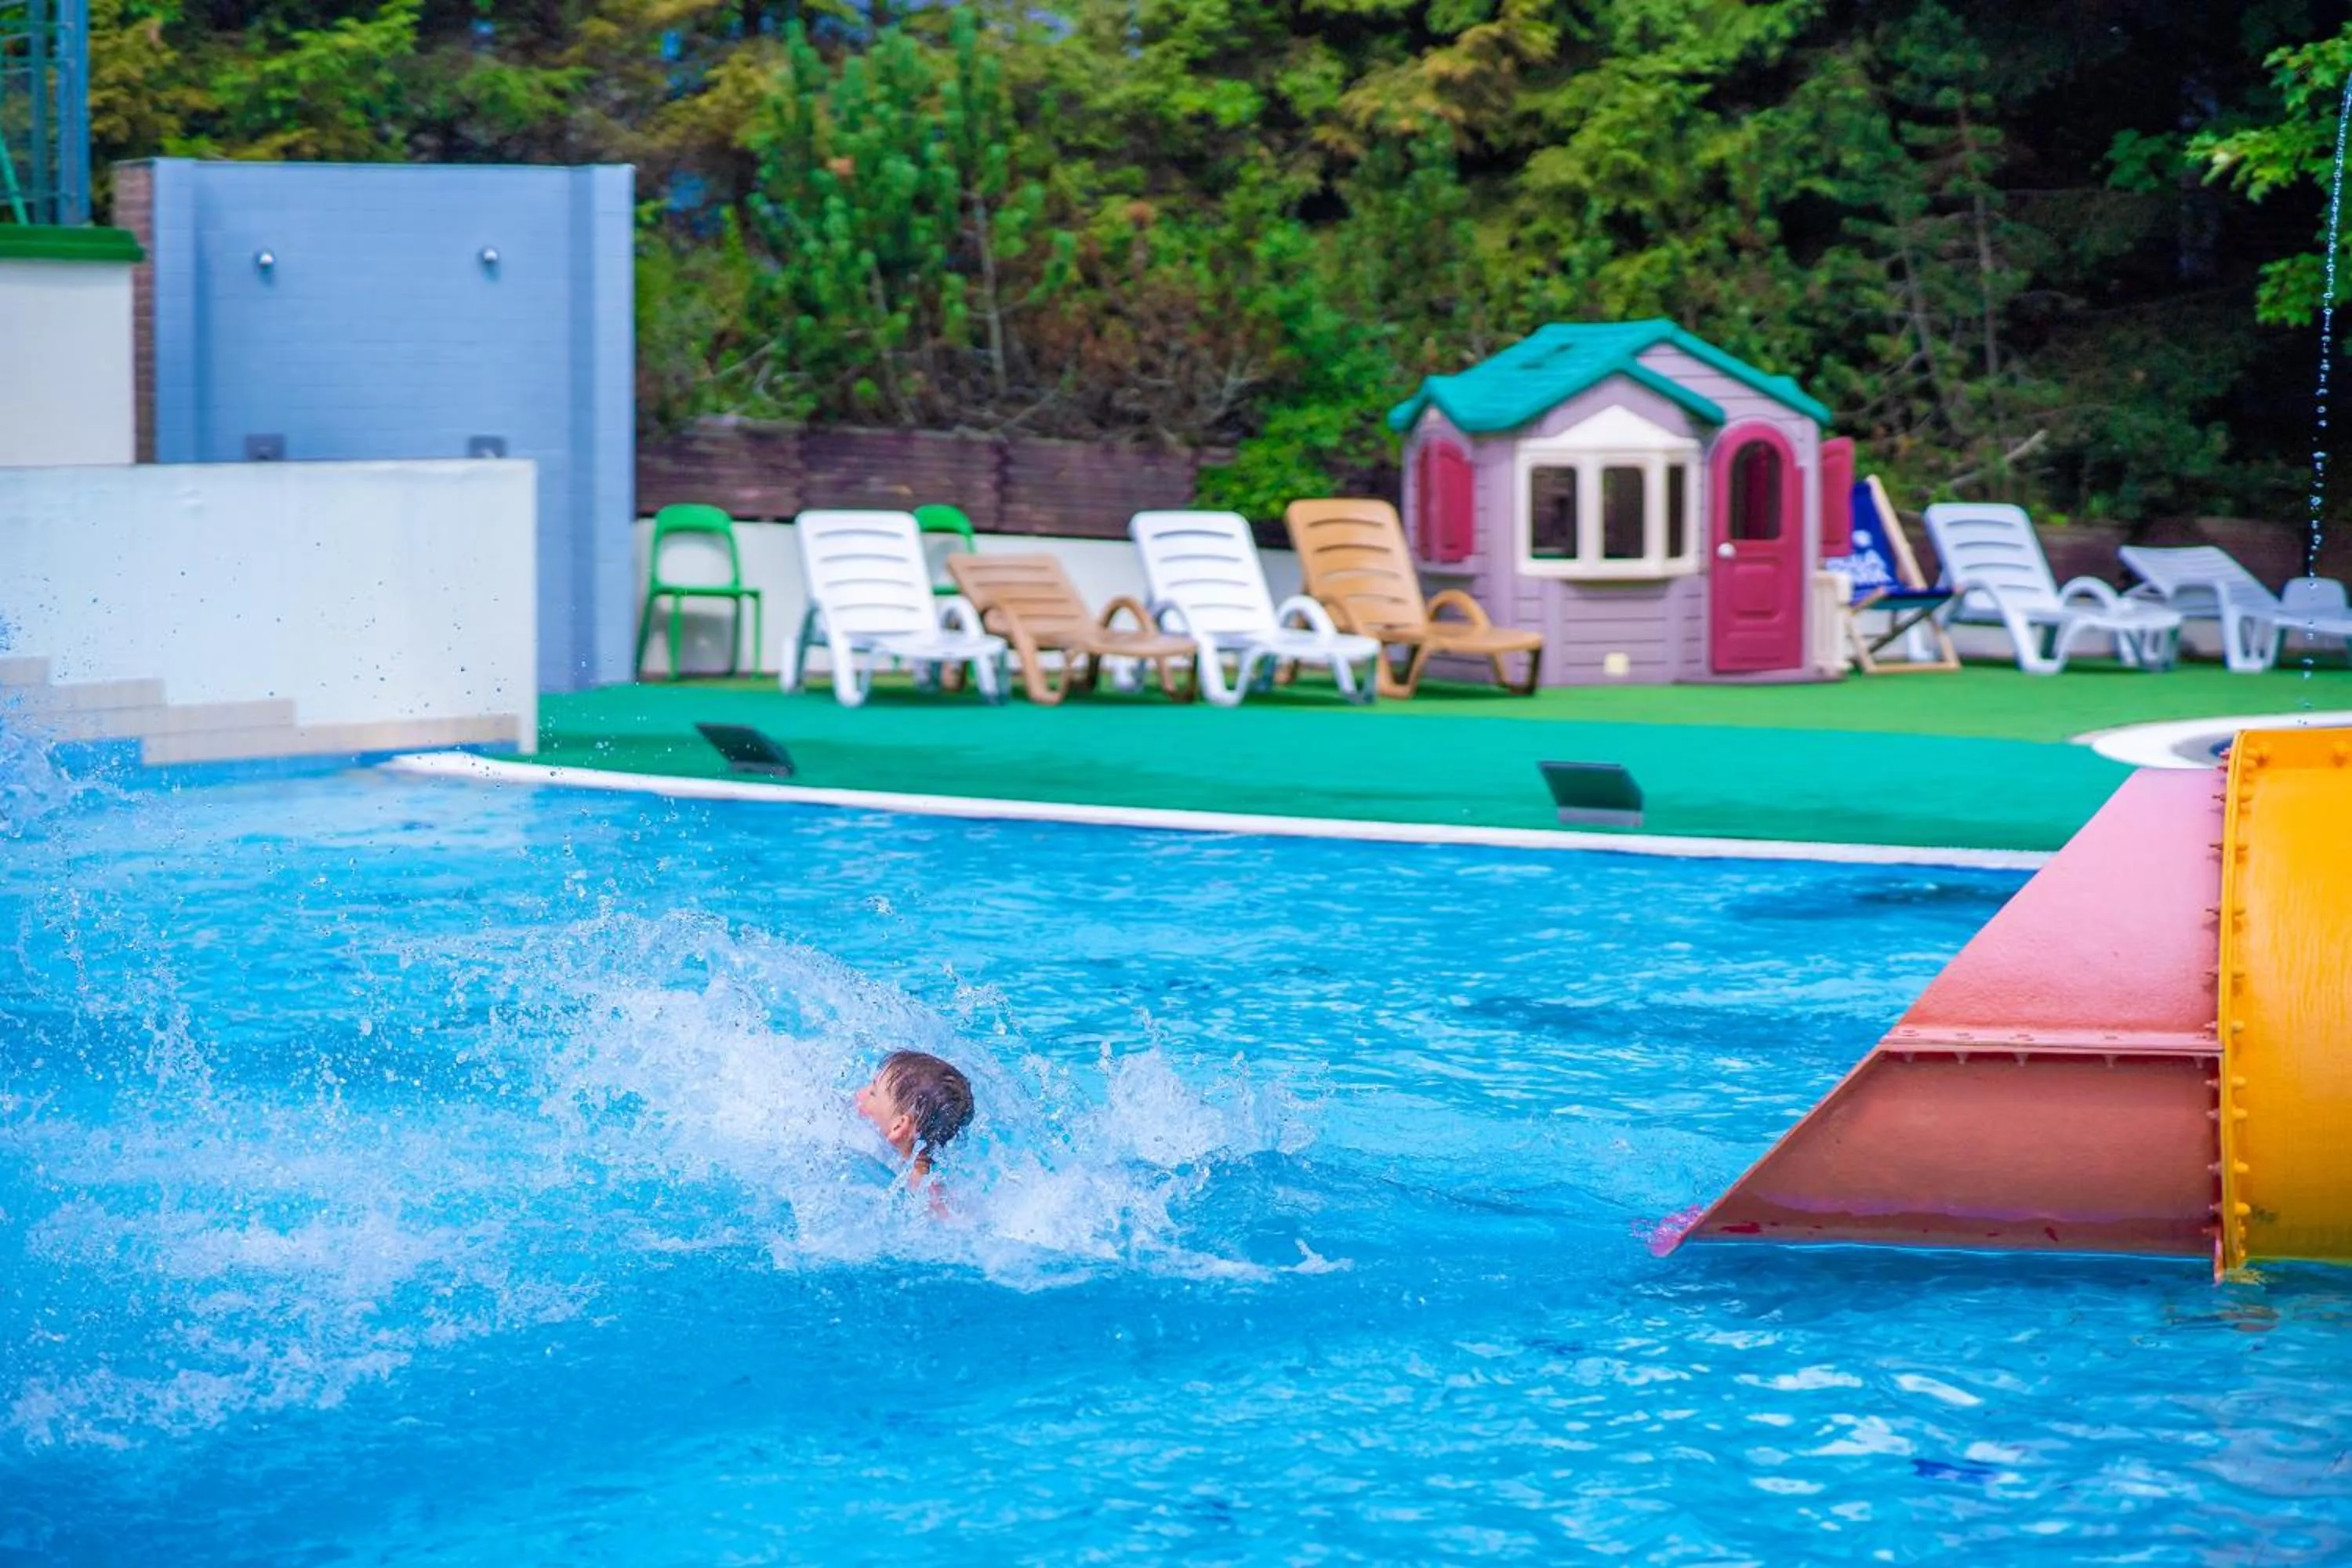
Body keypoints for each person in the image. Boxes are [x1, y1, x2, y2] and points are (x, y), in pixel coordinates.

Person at [854, 1049, 975, 1194]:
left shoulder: (922, 1186)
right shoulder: (924, 1172)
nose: (859, 1094)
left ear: (898, 1127)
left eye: (873, 1093)